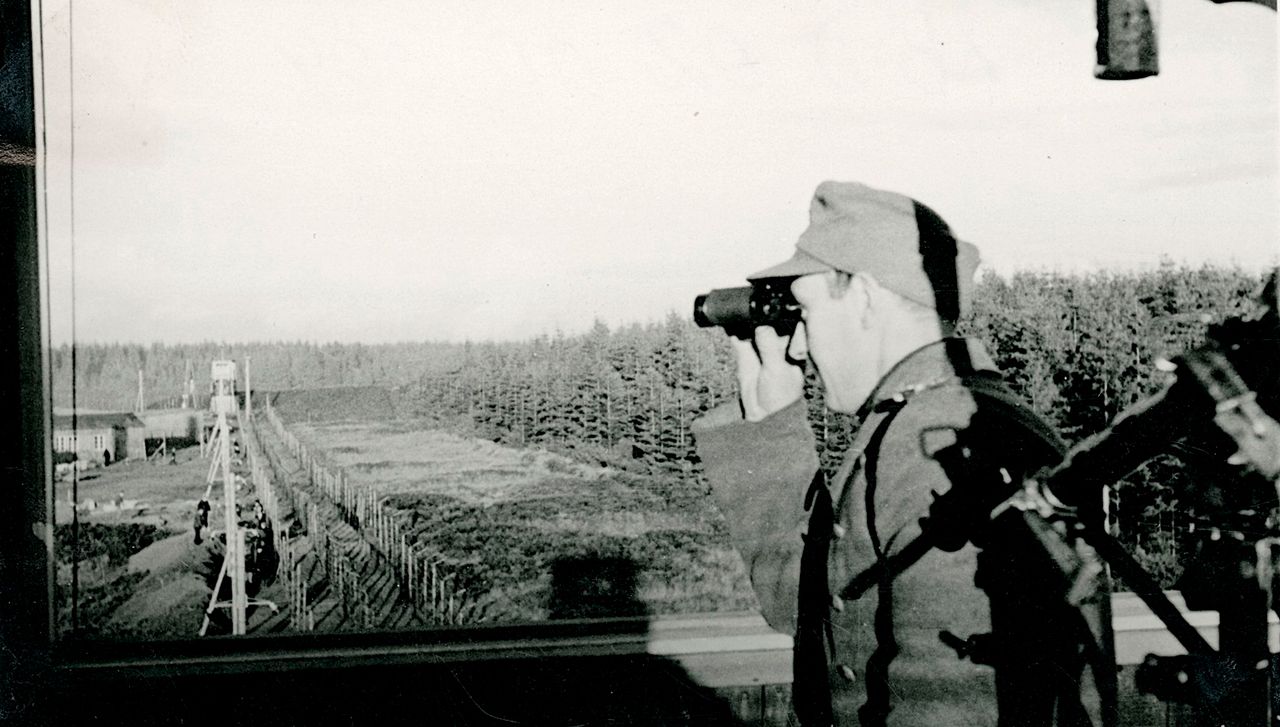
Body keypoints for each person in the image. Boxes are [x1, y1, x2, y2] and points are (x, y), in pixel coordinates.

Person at [693, 181, 1109, 726]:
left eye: (808, 313)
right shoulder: (917, 424)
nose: (798, 347)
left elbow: (959, 703)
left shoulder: (946, 441)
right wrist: (769, 433)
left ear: (863, 296)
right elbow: (815, 605)